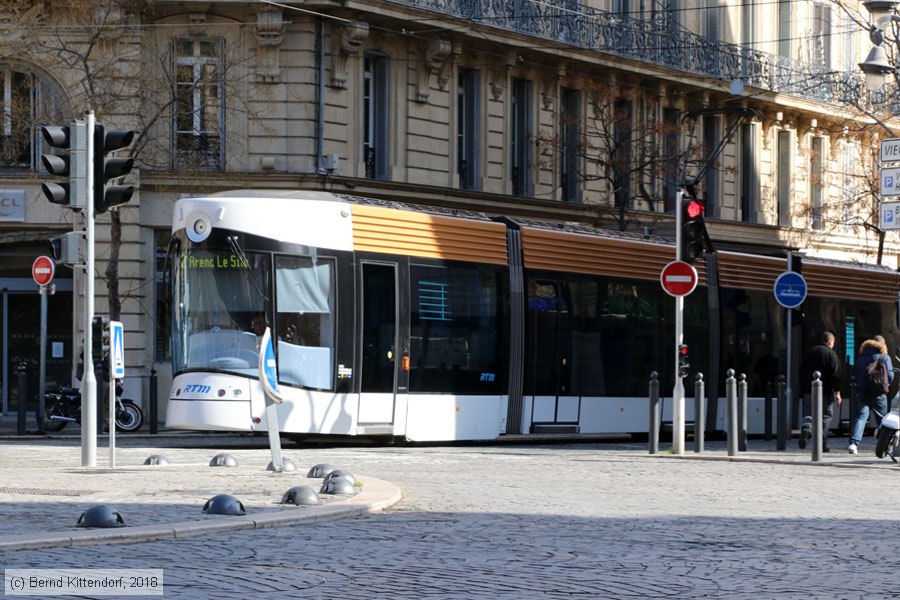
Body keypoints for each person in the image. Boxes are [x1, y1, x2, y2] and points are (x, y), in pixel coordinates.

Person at [850, 335, 894, 454]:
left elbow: (856, 374)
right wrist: (886, 384)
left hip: (862, 392)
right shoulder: (885, 357)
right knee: (883, 420)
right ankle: (886, 445)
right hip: (879, 394)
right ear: (883, 345)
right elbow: (890, 376)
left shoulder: (861, 357)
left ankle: (853, 444)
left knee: (860, 418)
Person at [798, 331, 842, 452]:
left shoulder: (809, 352)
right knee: (826, 416)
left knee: (809, 412)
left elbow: (801, 372)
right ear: (830, 342)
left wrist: (803, 388)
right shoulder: (831, 354)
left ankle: (806, 426)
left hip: (808, 389)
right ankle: (821, 443)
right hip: (826, 391)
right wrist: (837, 392)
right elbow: (835, 375)